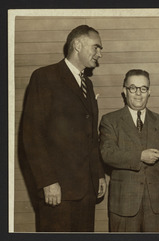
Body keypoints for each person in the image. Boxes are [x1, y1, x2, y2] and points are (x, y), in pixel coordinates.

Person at [22, 25, 107, 232]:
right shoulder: (44, 77)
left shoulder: (88, 84)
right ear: (77, 45)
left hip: (86, 190)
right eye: (96, 47)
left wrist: (98, 174)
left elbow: (91, 136)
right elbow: (32, 135)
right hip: (57, 191)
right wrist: (48, 181)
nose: (100, 54)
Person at [99, 69, 159, 232]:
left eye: (143, 89)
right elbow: (107, 154)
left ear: (149, 92)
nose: (138, 93)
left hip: (156, 203)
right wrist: (140, 156)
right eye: (133, 88)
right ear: (124, 90)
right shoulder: (110, 120)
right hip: (123, 203)